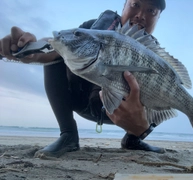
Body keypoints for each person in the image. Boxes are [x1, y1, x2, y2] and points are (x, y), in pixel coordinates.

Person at [0, 0, 166, 157]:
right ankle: (68, 134)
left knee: (168, 87)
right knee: (62, 50)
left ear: (158, 18)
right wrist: (30, 50)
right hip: (79, 100)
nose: (141, 15)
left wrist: (142, 128)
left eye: (151, 11)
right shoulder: (91, 29)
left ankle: (133, 139)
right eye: (135, 4)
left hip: (120, 114)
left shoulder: (157, 55)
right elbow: (54, 44)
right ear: (124, 6)